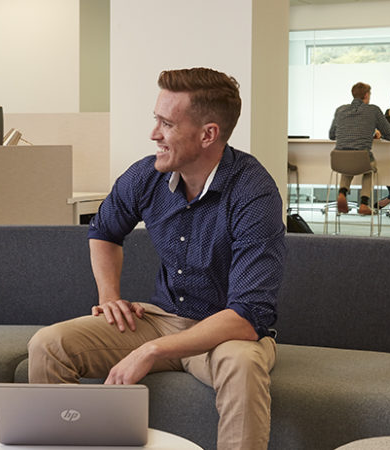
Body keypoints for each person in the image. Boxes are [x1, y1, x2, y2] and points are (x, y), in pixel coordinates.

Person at [27, 67, 286, 450]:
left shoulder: (253, 192)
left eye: (166, 123)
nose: (154, 134)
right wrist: (109, 297)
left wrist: (151, 350)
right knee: (48, 345)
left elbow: (248, 316)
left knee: (242, 364)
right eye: (156, 120)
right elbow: (103, 231)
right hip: (162, 319)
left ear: (208, 134)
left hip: (224, 334)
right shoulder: (146, 176)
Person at [328, 82, 390, 216]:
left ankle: (342, 193)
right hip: (361, 158)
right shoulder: (373, 110)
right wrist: (373, 133)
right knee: (369, 169)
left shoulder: (340, 110)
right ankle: (364, 203)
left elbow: (332, 135)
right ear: (366, 95)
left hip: (339, 158)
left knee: (347, 164)